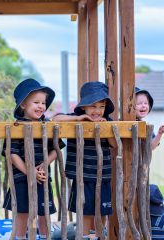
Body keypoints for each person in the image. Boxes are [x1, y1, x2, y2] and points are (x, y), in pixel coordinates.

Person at [2, 78, 65, 240]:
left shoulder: (47, 125)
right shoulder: (16, 126)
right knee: (22, 213)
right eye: (36, 102)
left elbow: (56, 149)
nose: (41, 106)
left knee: (44, 213)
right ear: (23, 105)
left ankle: (45, 237)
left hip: (42, 177)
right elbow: (12, 154)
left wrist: (44, 164)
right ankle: (20, 237)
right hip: (21, 178)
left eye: (43, 103)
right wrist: (30, 172)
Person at [53, 81, 116, 240]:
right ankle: (84, 236)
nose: (98, 111)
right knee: (85, 211)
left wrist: (106, 129)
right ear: (83, 107)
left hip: (103, 176)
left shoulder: (108, 121)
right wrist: (80, 119)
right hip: (83, 176)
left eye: (101, 106)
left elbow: (114, 144)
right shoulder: (76, 117)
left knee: (102, 211)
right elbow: (55, 118)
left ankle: (100, 236)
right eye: (93, 106)